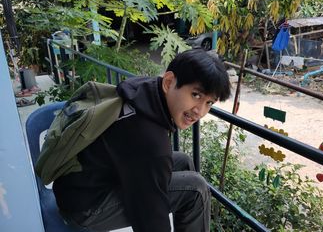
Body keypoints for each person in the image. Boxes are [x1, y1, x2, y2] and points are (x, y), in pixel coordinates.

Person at [53, 49, 231, 232]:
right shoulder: (150, 141)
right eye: (196, 95)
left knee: (183, 161)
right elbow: (150, 223)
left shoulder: (145, 90)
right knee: (196, 190)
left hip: (81, 181)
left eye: (209, 103)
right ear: (169, 82)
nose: (200, 111)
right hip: (84, 207)